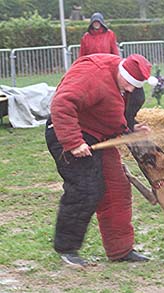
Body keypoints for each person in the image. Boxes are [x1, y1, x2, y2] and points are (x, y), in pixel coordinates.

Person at [45, 53, 158, 268]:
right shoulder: (92, 76)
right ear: (121, 71)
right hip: (66, 131)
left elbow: (117, 112)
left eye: (136, 86)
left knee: (117, 188)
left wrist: (131, 127)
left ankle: (120, 250)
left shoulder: (131, 88)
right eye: (128, 84)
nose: (132, 89)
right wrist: (73, 142)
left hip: (100, 136)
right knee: (86, 188)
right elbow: (61, 104)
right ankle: (67, 249)